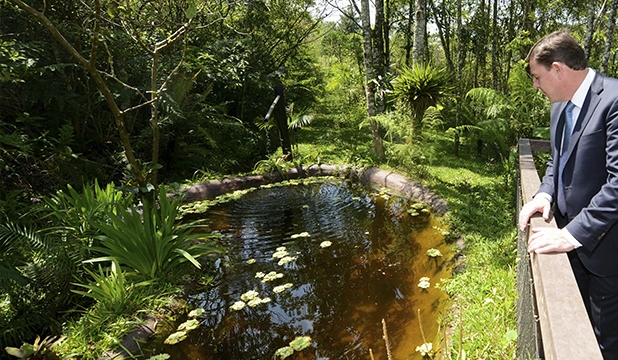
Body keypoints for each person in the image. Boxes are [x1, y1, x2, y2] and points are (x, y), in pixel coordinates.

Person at [518, 30, 618, 358]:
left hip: (606, 255)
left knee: (603, 343)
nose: (535, 86)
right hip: (569, 246)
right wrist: (544, 195)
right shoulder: (560, 108)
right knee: (572, 326)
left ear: (558, 69)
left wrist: (571, 235)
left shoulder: (614, 100)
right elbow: (557, 163)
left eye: (537, 76)